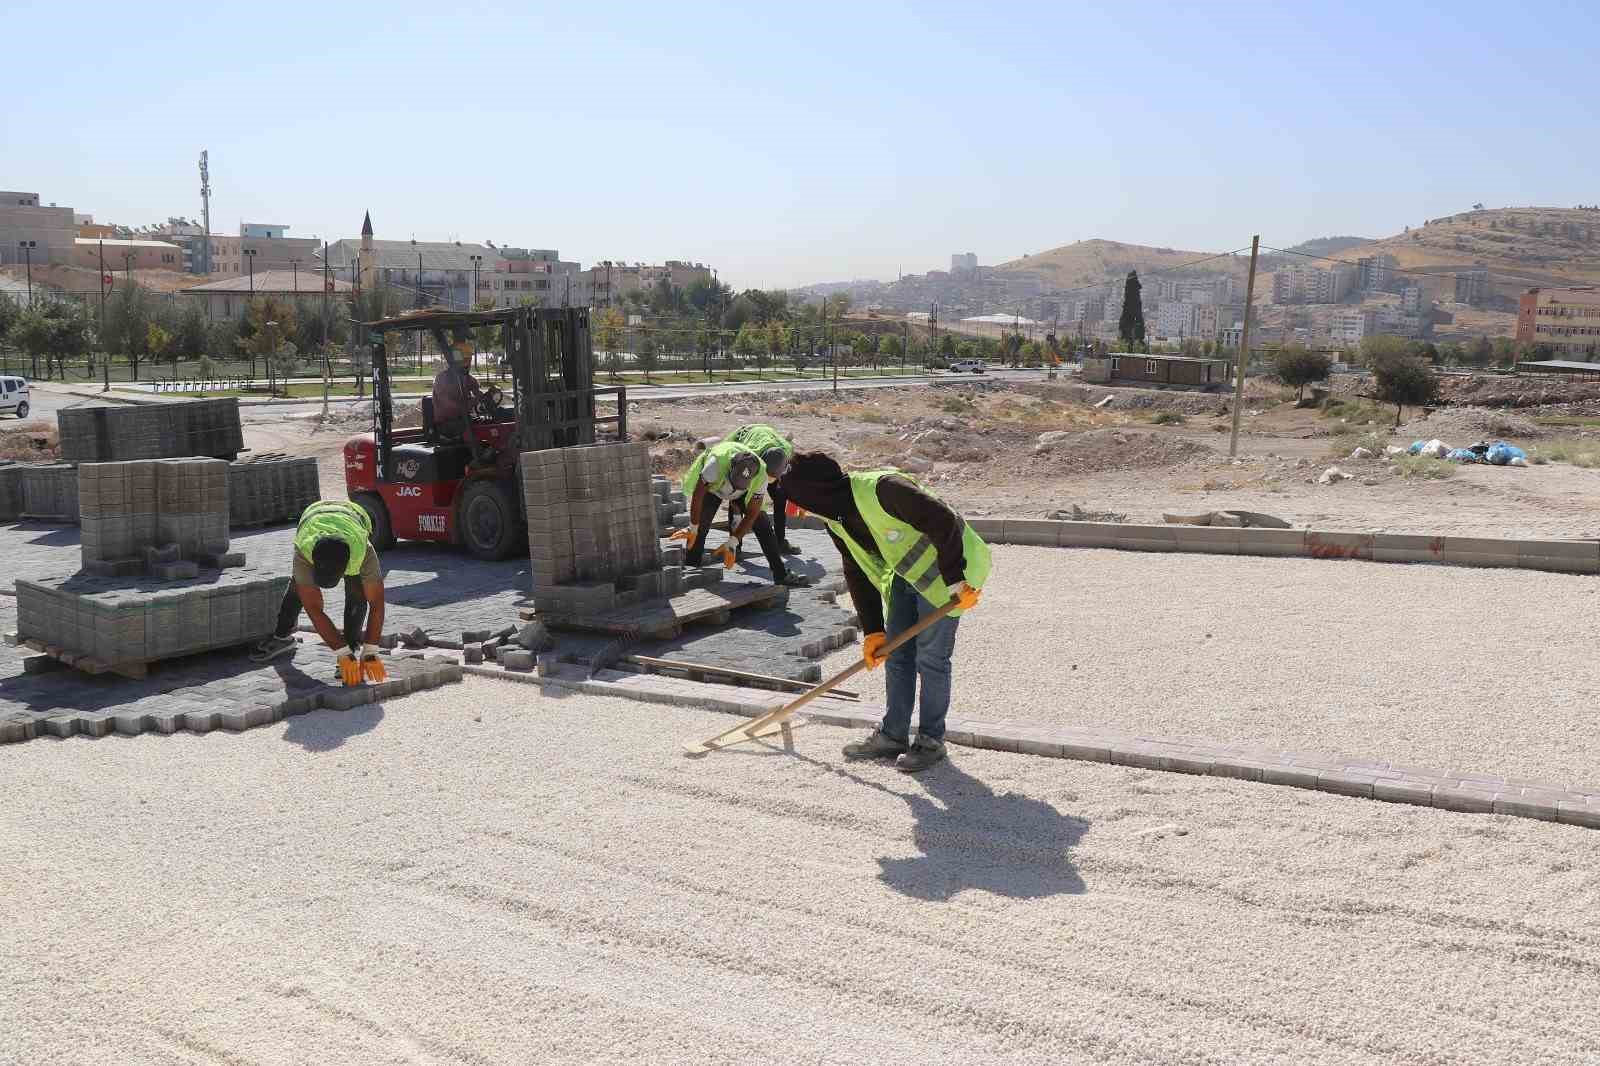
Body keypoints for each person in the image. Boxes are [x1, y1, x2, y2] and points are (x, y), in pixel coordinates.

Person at [777, 452, 989, 772]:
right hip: (907, 575)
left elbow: (942, 519)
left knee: (931, 659)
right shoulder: (836, 519)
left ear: (814, 491)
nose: (799, 509)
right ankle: (893, 735)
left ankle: (931, 741)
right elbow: (857, 571)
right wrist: (873, 629)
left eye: (798, 499)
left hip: (951, 576)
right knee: (897, 654)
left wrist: (956, 579)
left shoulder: (884, 489)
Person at [250, 500, 388, 686]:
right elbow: (314, 609)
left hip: (354, 519)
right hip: (313, 518)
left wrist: (371, 650)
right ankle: (282, 637)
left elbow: (377, 604)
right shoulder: (304, 550)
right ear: (313, 563)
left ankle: (351, 651)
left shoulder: (362, 553)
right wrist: (341, 651)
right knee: (298, 588)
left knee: (358, 594)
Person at [676, 439, 808, 588]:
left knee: (763, 524)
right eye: (733, 486)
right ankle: (691, 569)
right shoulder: (715, 464)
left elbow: (752, 514)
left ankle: (781, 574)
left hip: (743, 493)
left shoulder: (761, 475)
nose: (731, 492)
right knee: (700, 526)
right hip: (714, 488)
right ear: (730, 469)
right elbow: (698, 494)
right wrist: (693, 525)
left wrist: (733, 541)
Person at [726, 423, 799, 555]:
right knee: (738, 497)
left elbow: (790, 475)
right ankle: (734, 546)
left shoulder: (785, 451)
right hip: (748, 452)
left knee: (780, 495)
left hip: (768, 452)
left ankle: (780, 542)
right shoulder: (745, 455)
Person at [431, 337, 494, 467]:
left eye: (469, 360)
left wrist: (488, 397)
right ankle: (479, 459)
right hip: (446, 424)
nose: (468, 364)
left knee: (488, 423)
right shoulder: (443, 380)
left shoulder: (467, 379)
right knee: (466, 424)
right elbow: (452, 409)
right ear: (455, 360)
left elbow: (478, 395)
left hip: (463, 419)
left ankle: (493, 452)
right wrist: (474, 401)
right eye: (465, 360)